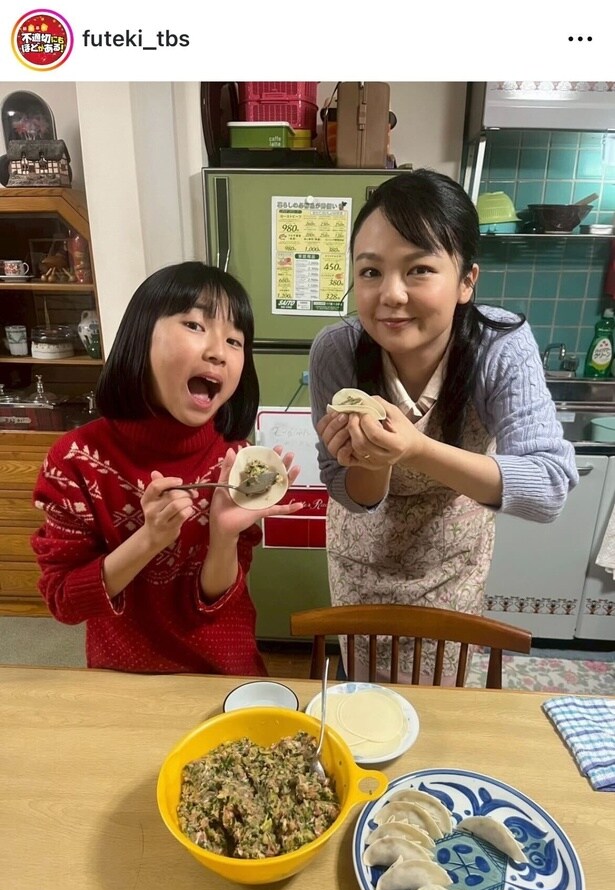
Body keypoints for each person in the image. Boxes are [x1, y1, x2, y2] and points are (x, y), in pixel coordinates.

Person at [308, 169, 579, 684]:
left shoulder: (501, 348)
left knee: (441, 698)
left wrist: (414, 449)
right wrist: (369, 461)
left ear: (466, 280)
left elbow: (547, 489)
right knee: (364, 698)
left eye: (419, 270)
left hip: (451, 562)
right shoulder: (337, 351)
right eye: (370, 272)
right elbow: (349, 492)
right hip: (360, 562)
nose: (390, 294)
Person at [31, 261, 302, 676]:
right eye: (194, 325)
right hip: (125, 678)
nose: (217, 351)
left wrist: (224, 536)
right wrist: (150, 538)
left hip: (223, 670)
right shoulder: (74, 461)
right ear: (142, 337)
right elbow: (65, 603)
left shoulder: (235, 460)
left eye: (234, 340)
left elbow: (216, 598)